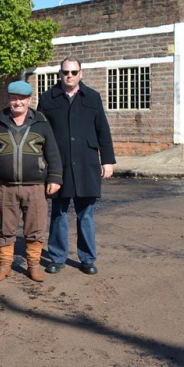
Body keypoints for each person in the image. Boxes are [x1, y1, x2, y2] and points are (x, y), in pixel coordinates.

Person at [37, 57, 116, 276]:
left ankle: (87, 258)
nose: (69, 76)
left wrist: (107, 160)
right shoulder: (47, 98)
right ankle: (57, 257)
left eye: (73, 72)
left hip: (86, 164)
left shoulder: (92, 97)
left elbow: (103, 130)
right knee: (58, 213)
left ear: (81, 73)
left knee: (86, 215)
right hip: (57, 165)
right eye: (65, 72)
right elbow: (39, 133)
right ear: (59, 74)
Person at [0, 81, 63, 283]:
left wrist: (55, 177)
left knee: (35, 227)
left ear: (29, 100)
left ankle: (33, 266)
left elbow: (52, 152)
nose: (17, 102)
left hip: (36, 186)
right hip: (5, 186)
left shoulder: (41, 122)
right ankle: (5, 266)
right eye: (13, 98)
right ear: (9, 99)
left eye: (22, 98)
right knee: (6, 227)